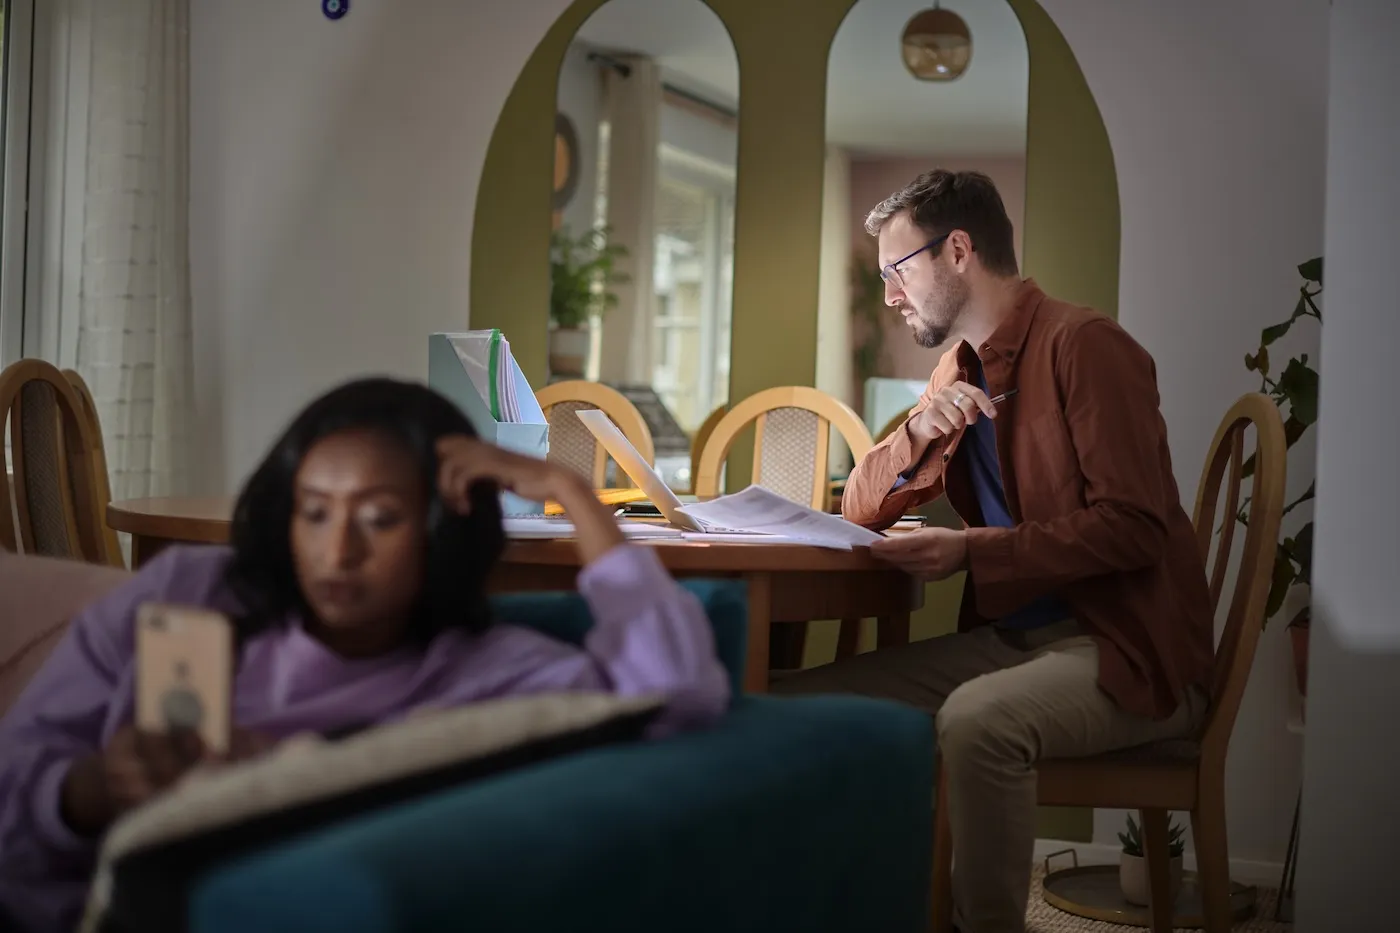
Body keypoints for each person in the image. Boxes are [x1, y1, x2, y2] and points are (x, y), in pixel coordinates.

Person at [0, 377, 730, 933]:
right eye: (314, 512)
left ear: (443, 531)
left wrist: (572, 492)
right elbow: (18, 775)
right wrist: (84, 792)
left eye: (379, 518)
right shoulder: (190, 591)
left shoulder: (495, 668)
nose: (338, 550)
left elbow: (676, 697)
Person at [771, 170, 1214, 933]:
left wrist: (973, 549)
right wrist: (918, 432)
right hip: (1014, 643)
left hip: (1126, 651)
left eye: (896, 271)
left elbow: (1136, 526)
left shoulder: (1086, 346)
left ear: (959, 251)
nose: (889, 295)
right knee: (788, 709)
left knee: (979, 722)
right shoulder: (958, 369)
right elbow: (859, 507)